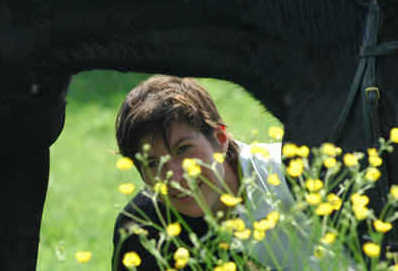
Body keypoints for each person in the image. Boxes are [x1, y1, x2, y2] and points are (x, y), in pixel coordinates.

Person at [111, 76, 337, 271]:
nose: (176, 177)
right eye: (152, 162)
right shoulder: (142, 228)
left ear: (220, 140)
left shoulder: (299, 179)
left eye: (183, 149)